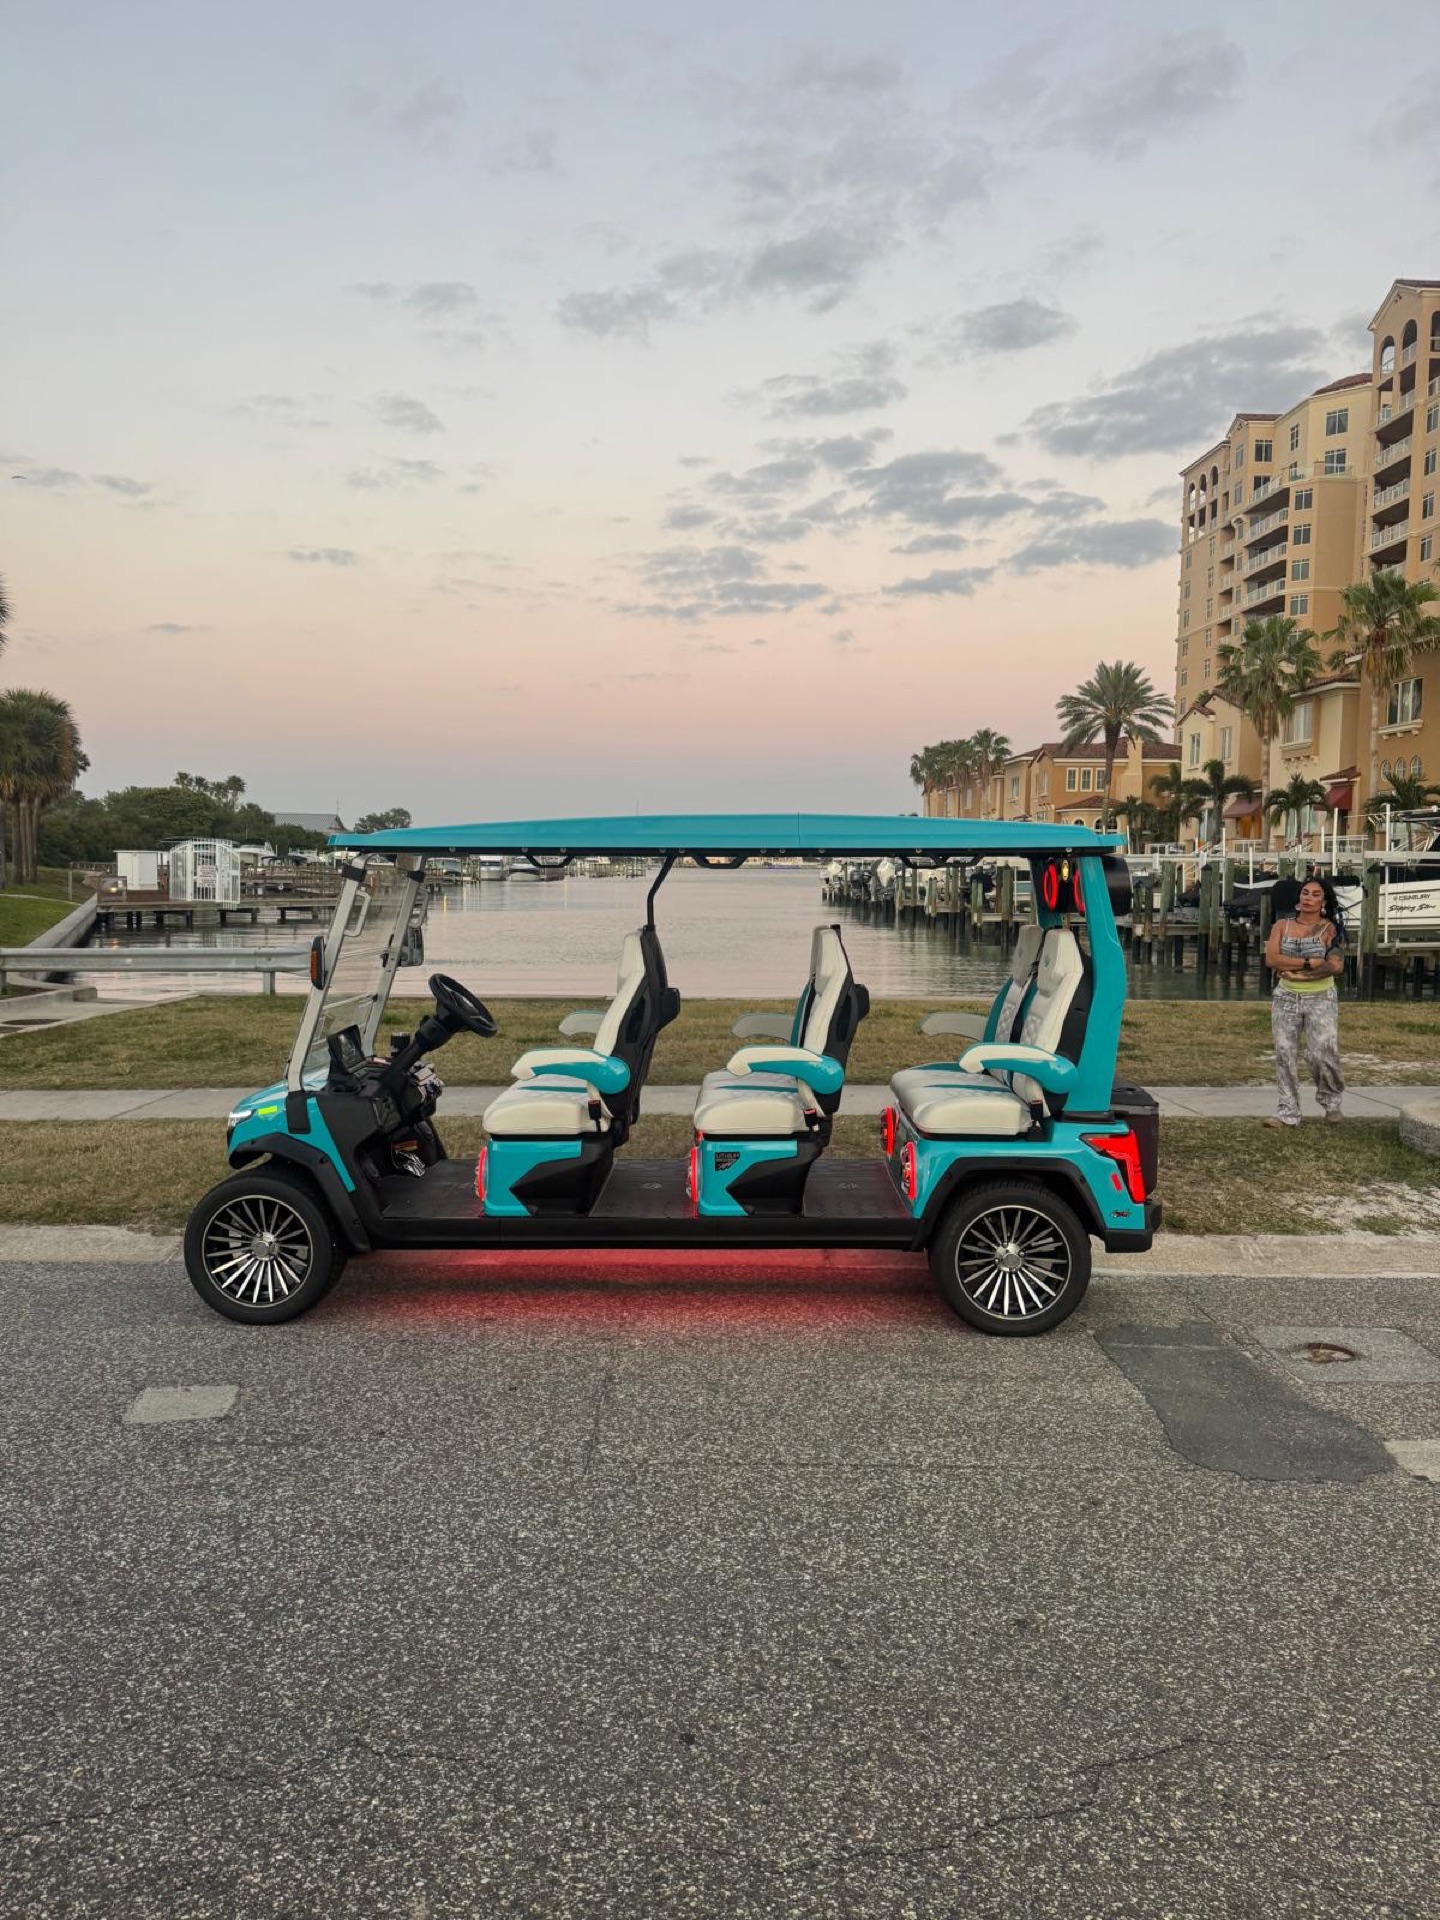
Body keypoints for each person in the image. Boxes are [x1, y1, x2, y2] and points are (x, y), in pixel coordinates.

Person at [1263, 877, 1345, 1126]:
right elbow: (1272, 959)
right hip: (1286, 997)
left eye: (1315, 894)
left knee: (1322, 1053)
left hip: (1321, 997)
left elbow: (1335, 966)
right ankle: (1287, 1112)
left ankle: (1331, 1101)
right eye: (1305, 893)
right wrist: (1310, 962)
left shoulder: (1330, 930)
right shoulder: (1281, 926)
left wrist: (1300, 973)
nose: (1308, 898)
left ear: (1323, 901)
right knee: (1284, 1053)